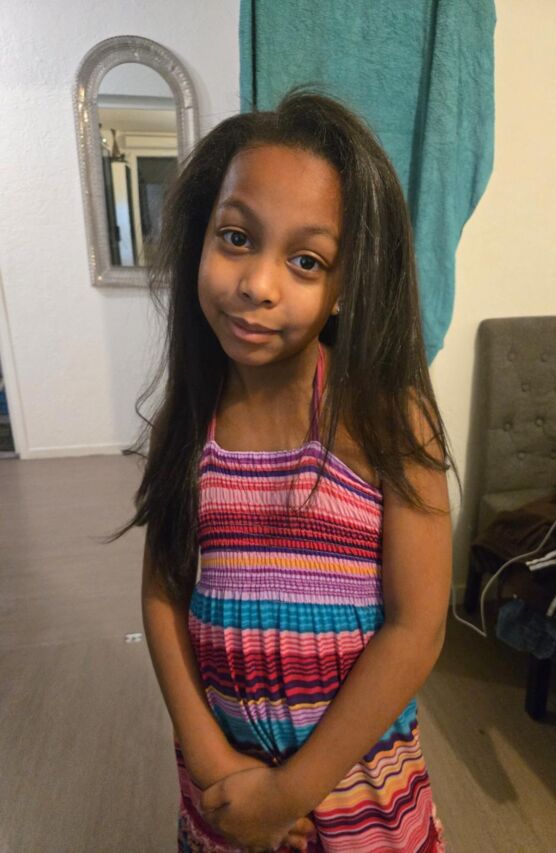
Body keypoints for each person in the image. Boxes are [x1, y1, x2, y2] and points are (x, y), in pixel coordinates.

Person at [110, 85, 458, 852]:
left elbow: (417, 627)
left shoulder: (387, 419)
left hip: (354, 797)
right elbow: (163, 592)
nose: (258, 285)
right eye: (236, 237)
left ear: (343, 286)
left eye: (306, 260)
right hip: (226, 792)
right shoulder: (188, 423)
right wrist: (212, 761)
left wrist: (289, 792)